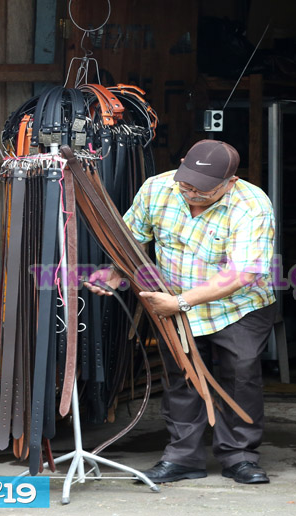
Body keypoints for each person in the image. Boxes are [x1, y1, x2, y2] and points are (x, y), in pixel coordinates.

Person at [85, 139, 277, 485]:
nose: (190, 192)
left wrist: (181, 302)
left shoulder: (252, 205)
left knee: (240, 375)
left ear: (230, 182)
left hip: (237, 306)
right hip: (174, 301)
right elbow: (132, 239)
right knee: (181, 378)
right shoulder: (158, 188)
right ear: (183, 162)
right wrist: (115, 274)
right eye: (186, 183)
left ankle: (240, 457)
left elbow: (243, 273)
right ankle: (183, 457)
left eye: (203, 190)